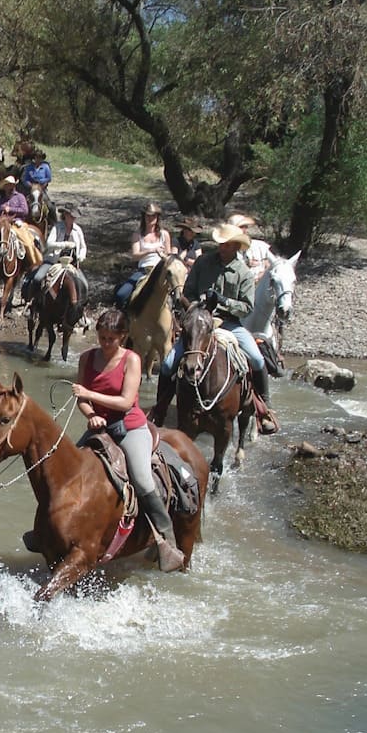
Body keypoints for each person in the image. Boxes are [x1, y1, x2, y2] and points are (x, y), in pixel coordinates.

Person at [72, 308, 185, 573]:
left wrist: (90, 394)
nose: (105, 343)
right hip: (100, 429)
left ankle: (166, 540)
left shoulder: (131, 360)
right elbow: (82, 400)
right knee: (69, 474)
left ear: (122, 337)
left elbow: (124, 401)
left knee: (143, 480)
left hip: (129, 428)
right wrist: (91, 416)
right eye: (101, 337)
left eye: (111, 338)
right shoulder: (87, 358)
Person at [147, 222, 275, 431]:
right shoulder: (202, 263)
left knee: (257, 359)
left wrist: (224, 301)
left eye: (226, 244)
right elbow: (187, 293)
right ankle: (160, 409)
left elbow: (247, 308)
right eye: (221, 244)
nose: (222, 247)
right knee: (169, 363)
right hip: (199, 322)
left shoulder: (243, 273)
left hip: (229, 323)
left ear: (235, 246)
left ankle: (264, 408)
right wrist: (197, 304)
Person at [115, 202, 174, 307]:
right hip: (144, 270)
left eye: (153, 216)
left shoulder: (164, 234)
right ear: (144, 217)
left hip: (161, 271)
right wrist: (151, 250)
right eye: (148, 216)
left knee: (177, 293)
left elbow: (169, 256)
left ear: (157, 217)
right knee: (121, 294)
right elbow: (135, 256)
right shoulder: (137, 235)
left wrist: (163, 255)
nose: (150, 218)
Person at [22, 203, 85, 298]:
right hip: (53, 261)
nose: (73, 219)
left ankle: (79, 307)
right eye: (71, 216)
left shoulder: (78, 230)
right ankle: (32, 300)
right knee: (38, 278)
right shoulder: (57, 227)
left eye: (74, 217)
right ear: (66, 215)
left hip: (72, 263)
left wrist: (81, 255)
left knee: (84, 284)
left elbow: (83, 246)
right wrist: (64, 244)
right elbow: (49, 243)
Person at [229, 213, 271, 282]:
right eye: (241, 227)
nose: (245, 230)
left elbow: (274, 265)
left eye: (245, 227)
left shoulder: (261, 246)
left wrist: (263, 274)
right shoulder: (228, 251)